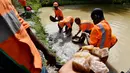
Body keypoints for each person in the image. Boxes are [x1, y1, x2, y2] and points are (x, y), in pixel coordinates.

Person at [0, 0, 56, 73]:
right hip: (15, 66)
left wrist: (45, 51)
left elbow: (22, 25)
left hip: (35, 62)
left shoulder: (5, 1)